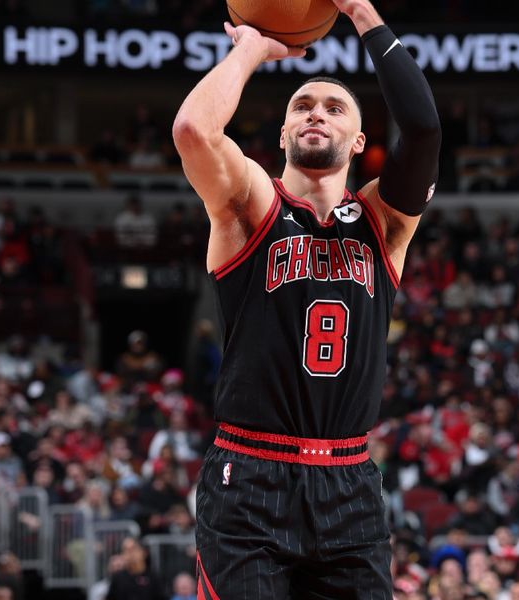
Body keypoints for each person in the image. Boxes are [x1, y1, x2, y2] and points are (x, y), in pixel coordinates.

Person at [171, 0, 441, 596]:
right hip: (248, 476)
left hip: (349, 481)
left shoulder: (383, 221)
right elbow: (193, 131)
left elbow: (423, 130)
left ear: (359, 138)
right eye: (302, 106)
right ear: (285, 133)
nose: (316, 112)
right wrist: (251, 50)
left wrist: (364, 14)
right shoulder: (251, 204)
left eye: (334, 106)